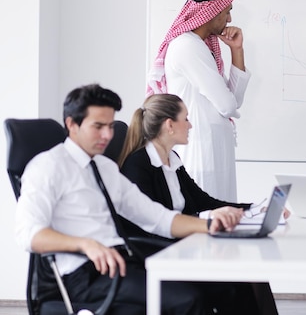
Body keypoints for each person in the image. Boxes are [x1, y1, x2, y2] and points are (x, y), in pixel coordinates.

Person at [15, 84, 243, 314]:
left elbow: (157, 218)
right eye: (98, 126)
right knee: (187, 299)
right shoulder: (47, 168)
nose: (107, 135)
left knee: (220, 284)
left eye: (110, 126)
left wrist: (211, 225)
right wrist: (85, 244)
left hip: (120, 260)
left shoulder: (105, 168)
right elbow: (29, 234)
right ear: (72, 124)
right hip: (81, 274)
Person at [118, 93, 279, 314]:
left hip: (186, 245)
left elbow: (205, 201)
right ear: (170, 125)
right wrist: (206, 221)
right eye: (186, 119)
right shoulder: (138, 166)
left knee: (250, 271)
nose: (191, 125)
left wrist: (255, 208)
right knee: (234, 283)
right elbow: (151, 224)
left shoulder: (172, 159)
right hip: (160, 252)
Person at [147, 0, 250, 202]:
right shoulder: (187, 46)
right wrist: (229, 104)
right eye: (226, 12)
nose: (229, 19)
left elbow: (234, 101)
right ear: (211, 13)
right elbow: (228, 105)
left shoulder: (200, 46)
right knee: (209, 220)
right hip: (201, 151)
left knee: (223, 217)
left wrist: (237, 50)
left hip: (214, 148)